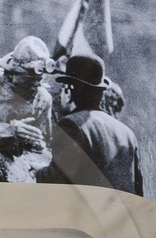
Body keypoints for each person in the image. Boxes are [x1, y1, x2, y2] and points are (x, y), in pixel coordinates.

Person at [42, 51, 143, 195]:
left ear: (71, 89)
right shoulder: (127, 134)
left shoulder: (70, 125)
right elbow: (138, 191)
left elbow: (53, 180)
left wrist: (35, 171)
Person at [0, 34, 56, 182]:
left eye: (39, 81)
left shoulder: (42, 98)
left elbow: (41, 147)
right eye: (28, 81)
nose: (35, 87)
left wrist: (34, 142)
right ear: (11, 74)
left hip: (17, 162)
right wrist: (9, 131)